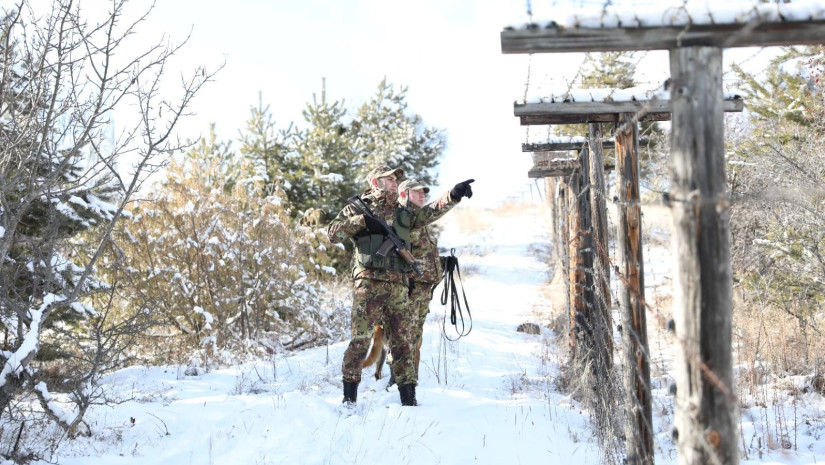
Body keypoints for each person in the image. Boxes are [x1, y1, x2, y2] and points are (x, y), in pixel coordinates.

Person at [327, 165, 474, 407]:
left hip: (398, 286)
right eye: (390, 178)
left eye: (397, 179)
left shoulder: (402, 213)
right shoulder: (356, 207)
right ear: (376, 182)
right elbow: (333, 232)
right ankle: (349, 398)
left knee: (404, 342)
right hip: (369, 284)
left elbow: (429, 213)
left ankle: (409, 399)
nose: (395, 182)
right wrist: (361, 221)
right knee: (361, 339)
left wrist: (454, 195)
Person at [396, 178, 447, 381]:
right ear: (403, 195)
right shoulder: (403, 217)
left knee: (415, 334)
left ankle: (410, 378)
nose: (422, 195)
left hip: (423, 286)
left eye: (423, 192)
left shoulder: (417, 219)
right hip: (409, 286)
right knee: (403, 334)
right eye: (416, 192)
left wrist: (442, 263)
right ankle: (398, 377)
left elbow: (420, 251)